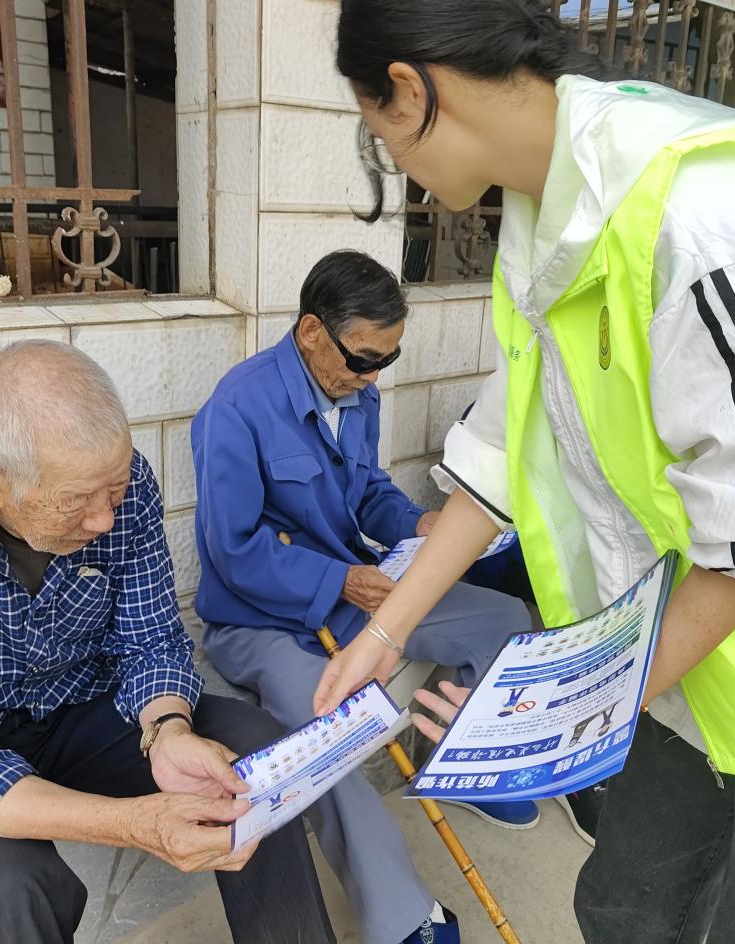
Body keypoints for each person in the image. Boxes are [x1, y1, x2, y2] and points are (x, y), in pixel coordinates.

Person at [311, 3, 735, 943]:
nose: (392, 164)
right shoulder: (543, 219)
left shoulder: (696, 206)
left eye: (376, 137)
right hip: (685, 658)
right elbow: (508, 444)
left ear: (409, 90)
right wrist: (384, 632)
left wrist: (567, 713)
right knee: (625, 909)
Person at [0, 340, 335, 944]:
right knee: (11, 886)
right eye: (76, 502)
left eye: (113, 492)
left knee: (251, 757)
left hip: (68, 702)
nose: (104, 520)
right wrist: (135, 822)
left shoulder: (120, 482)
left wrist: (166, 730)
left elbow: (151, 639)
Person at [192, 250, 539, 944]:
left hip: (355, 596)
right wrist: (338, 580)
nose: (373, 375)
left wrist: (417, 523)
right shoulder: (235, 407)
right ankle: (402, 919)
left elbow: (367, 489)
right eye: (363, 359)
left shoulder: (358, 392)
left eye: (387, 359)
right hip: (260, 620)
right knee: (327, 733)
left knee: (504, 619)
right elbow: (232, 551)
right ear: (310, 332)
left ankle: (467, 770)